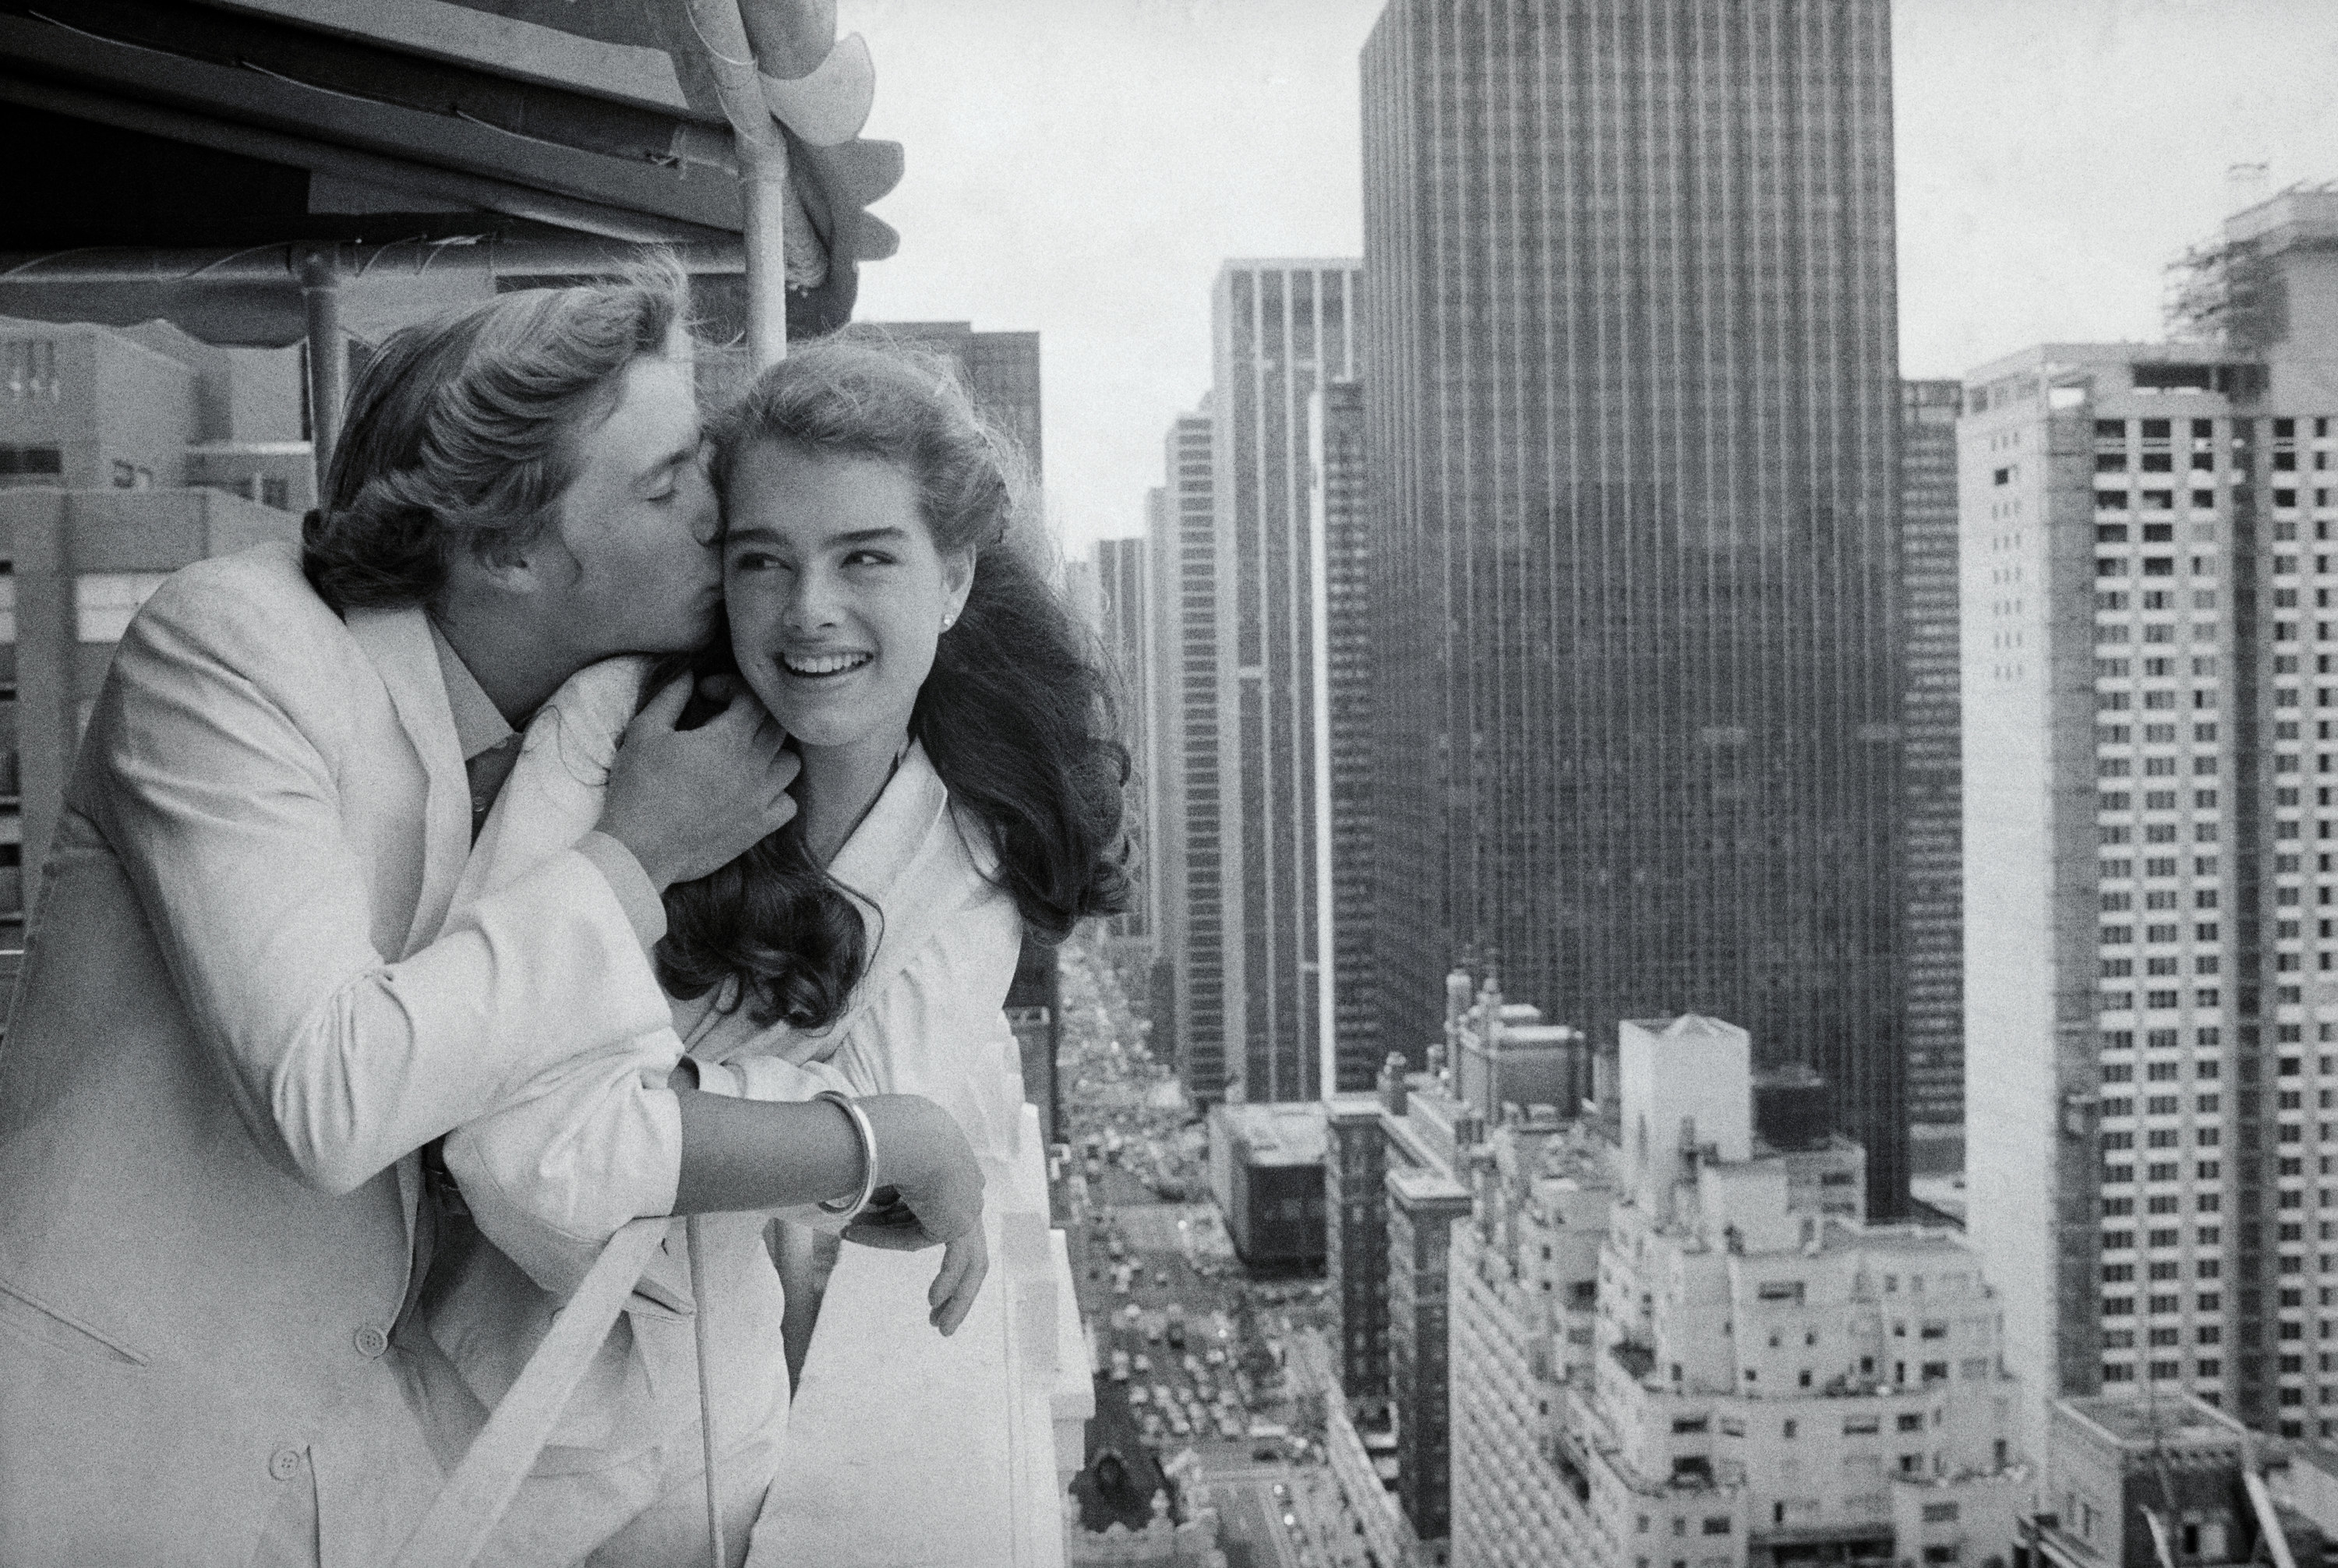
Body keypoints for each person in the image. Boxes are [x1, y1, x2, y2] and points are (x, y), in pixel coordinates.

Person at [0, 274, 982, 1567]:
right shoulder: (233, 647)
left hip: (363, 1481)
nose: (721, 509)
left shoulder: (578, 731)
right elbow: (329, 1093)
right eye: (669, 484)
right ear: (513, 550)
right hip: (110, 1465)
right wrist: (638, 856)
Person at [426, 332, 1128, 1566]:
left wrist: (718, 1121)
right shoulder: (614, 731)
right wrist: (872, 1137)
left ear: (954, 580)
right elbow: (515, 1153)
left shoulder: (968, 857)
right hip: (490, 1453)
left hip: (728, 1450)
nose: (810, 612)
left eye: (866, 558)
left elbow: (816, 1175)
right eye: (765, 563)